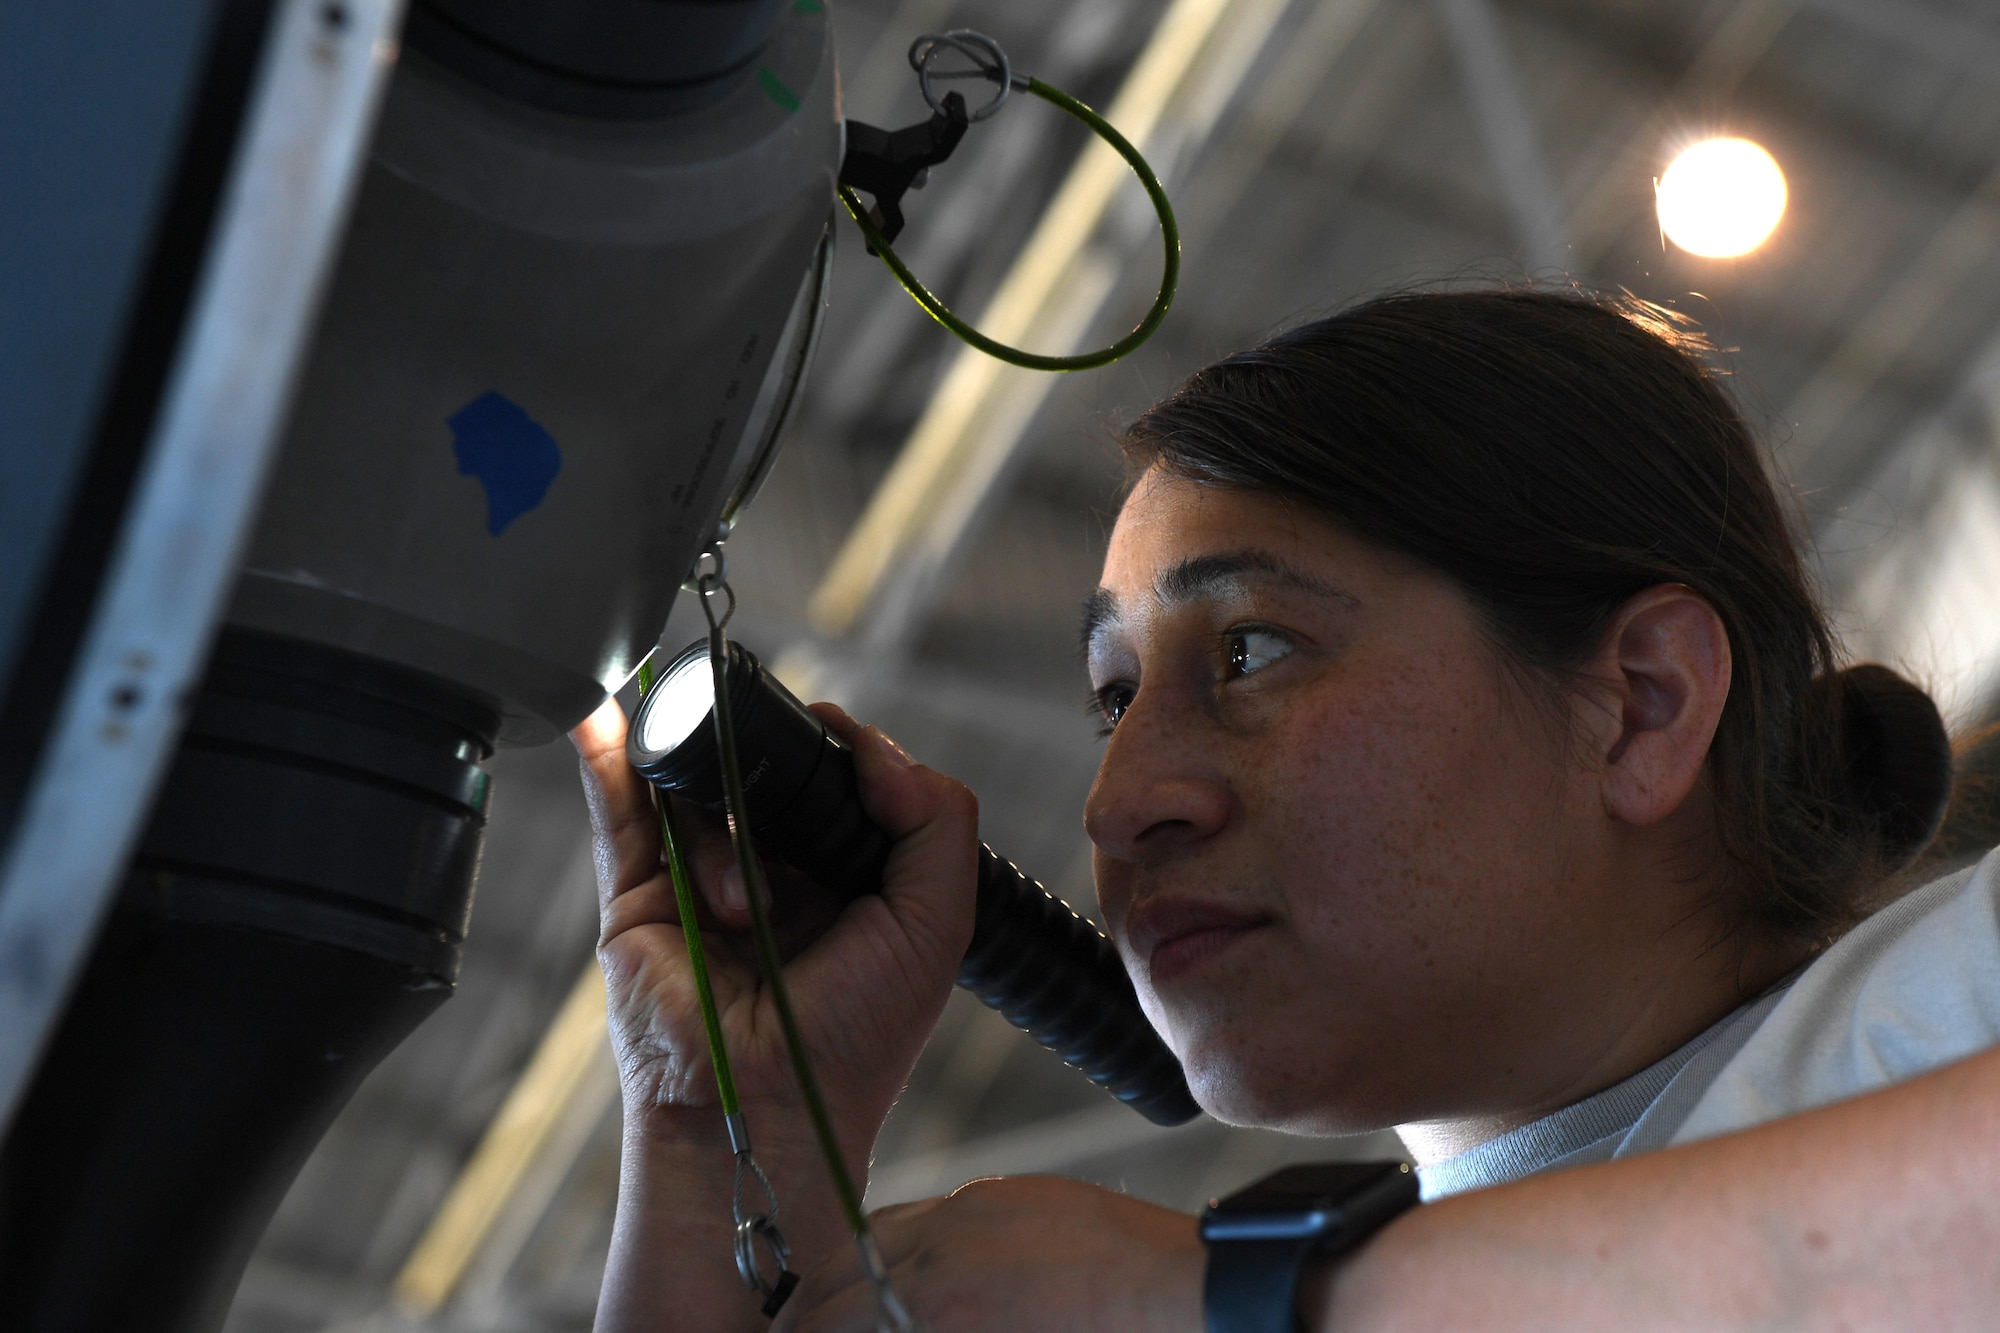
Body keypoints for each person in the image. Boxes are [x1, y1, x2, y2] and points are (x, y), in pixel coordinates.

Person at [571, 289, 2000, 1332]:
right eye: (1113, 695)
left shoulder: (1960, 991)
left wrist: (1259, 1296)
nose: (1124, 801)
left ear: (1642, 701)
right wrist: (722, 1136)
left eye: (1250, 650)